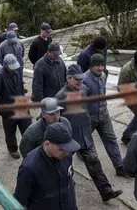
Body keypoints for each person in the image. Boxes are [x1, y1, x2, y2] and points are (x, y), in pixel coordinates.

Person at [55, 64, 123, 202]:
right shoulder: (60, 97)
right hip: (69, 139)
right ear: (68, 79)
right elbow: (53, 119)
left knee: (94, 162)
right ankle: (65, 188)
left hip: (85, 136)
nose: (80, 82)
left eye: (81, 79)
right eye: (76, 79)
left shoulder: (84, 90)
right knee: (64, 166)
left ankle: (106, 191)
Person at [14, 122, 80, 210]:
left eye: (67, 148)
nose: (67, 152)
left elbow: (68, 183)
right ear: (47, 144)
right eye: (61, 148)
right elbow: (20, 200)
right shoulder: (29, 169)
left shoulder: (65, 155)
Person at [83, 53, 125, 176]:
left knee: (111, 140)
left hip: (103, 115)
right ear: (91, 66)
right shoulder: (84, 80)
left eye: (102, 65)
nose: (100, 68)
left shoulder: (103, 75)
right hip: (89, 118)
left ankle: (119, 166)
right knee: (82, 142)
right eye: (97, 65)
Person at [0, 54, 30, 159]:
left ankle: (29, 148)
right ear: (5, 65)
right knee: (10, 132)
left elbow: (20, 85)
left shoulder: (17, 71)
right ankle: (12, 149)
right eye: (11, 66)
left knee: (27, 128)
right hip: (8, 109)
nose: (14, 68)